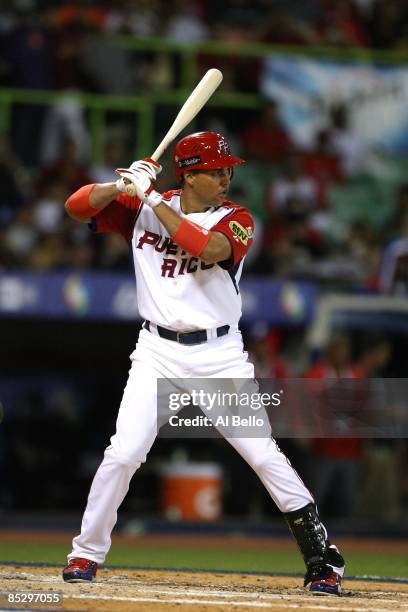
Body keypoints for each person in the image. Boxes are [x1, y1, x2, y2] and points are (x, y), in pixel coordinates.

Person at [62, 131, 345, 595]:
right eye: (216, 170)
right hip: (156, 351)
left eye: (227, 169)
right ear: (189, 175)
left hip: (218, 357)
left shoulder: (237, 217)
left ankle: (323, 560)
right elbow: (77, 207)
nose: (226, 177)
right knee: (124, 453)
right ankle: (85, 553)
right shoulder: (142, 207)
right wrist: (122, 187)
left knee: (261, 454)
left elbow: (208, 250)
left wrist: (152, 197)